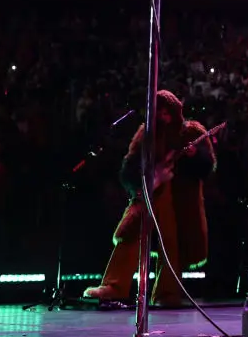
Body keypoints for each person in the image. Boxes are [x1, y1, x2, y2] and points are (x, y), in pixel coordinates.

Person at [83, 90, 216, 308]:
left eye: (167, 113)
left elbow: (207, 166)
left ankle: (167, 292)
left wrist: (194, 156)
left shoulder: (191, 132)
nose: (164, 118)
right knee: (132, 234)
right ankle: (114, 286)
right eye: (160, 113)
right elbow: (128, 169)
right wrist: (153, 177)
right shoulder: (147, 134)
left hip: (180, 202)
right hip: (152, 195)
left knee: (171, 244)